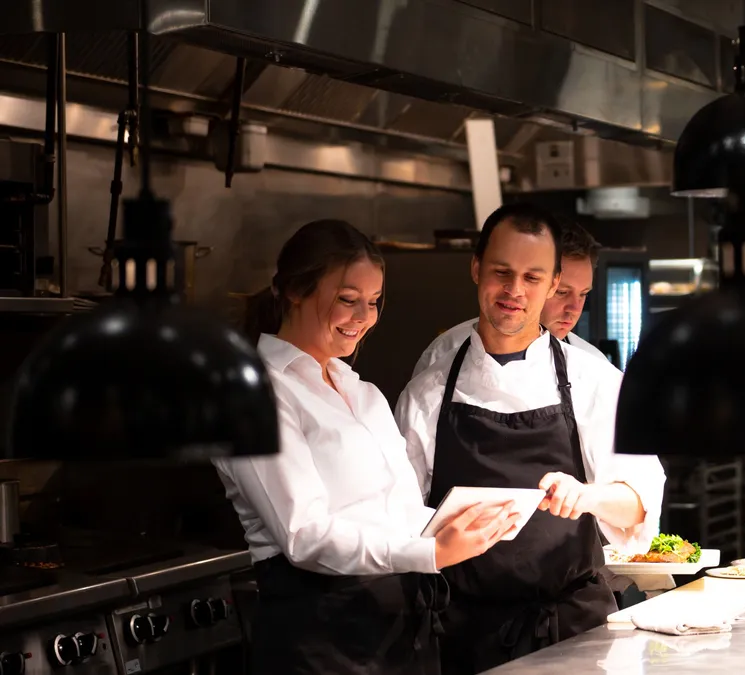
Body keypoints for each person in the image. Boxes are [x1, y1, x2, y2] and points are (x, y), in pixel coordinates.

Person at [213, 219, 520, 675]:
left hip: (401, 632)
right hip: (322, 639)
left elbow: (395, 512)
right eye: (347, 300)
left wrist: (459, 521)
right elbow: (303, 536)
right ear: (295, 290)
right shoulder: (253, 393)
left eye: (374, 302)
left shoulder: (363, 393)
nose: (363, 318)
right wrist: (432, 553)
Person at [394, 204, 665, 675]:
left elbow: (639, 505)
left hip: (575, 632)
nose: (515, 292)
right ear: (476, 268)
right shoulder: (427, 392)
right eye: (502, 272)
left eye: (533, 278)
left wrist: (587, 496)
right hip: (463, 635)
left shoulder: (593, 380)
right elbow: (397, 519)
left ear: (552, 281)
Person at [410, 219, 607, 378]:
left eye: (583, 294)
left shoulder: (595, 369)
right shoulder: (444, 353)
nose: (574, 308)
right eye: (562, 292)